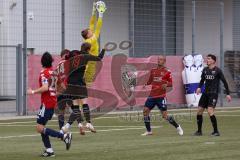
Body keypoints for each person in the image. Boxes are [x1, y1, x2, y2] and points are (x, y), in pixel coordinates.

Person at [27, 52, 72, 157]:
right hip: (52, 103)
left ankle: (63, 136)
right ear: (51, 61)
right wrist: (54, 94)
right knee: (41, 126)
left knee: (39, 127)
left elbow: (45, 87)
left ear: (42, 62)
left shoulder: (44, 73)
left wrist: (32, 92)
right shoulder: (54, 73)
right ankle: (49, 150)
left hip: (46, 104)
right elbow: (63, 88)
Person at [61, 42, 105, 135]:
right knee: (84, 103)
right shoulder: (86, 56)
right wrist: (104, 49)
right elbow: (99, 58)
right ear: (88, 49)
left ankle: (67, 126)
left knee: (76, 105)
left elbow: (65, 58)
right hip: (80, 83)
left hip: (70, 83)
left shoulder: (73, 52)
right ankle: (88, 123)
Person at [141, 55, 183, 136]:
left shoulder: (167, 71)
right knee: (145, 111)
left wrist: (166, 84)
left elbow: (171, 83)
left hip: (161, 96)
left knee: (165, 116)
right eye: (158, 59)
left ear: (164, 61)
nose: (159, 61)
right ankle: (149, 131)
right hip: (152, 96)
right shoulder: (153, 70)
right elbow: (150, 80)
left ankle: (177, 126)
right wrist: (145, 84)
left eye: (161, 60)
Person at [194, 54, 231, 136]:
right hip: (205, 93)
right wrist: (199, 87)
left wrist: (228, 94)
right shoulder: (205, 70)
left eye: (209, 59)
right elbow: (202, 80)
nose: (207, 60)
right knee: (199, 111)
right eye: (207, 59)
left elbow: (224, 82)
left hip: (213, 94)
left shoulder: (218, 71)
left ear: (213, 61)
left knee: (210, 111)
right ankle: (199, 131)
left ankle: (216, 131)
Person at [81, 1, 106, 84]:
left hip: (88, 62)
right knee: (87, 83)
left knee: (85, 83)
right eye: (90, 31)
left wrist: (93, 11)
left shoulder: (88, 39)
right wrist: (101, 14)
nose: (91, 30)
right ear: (88, 35)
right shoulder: (93, 39)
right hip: (90, 63)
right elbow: (98, 27)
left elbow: (91, 23)